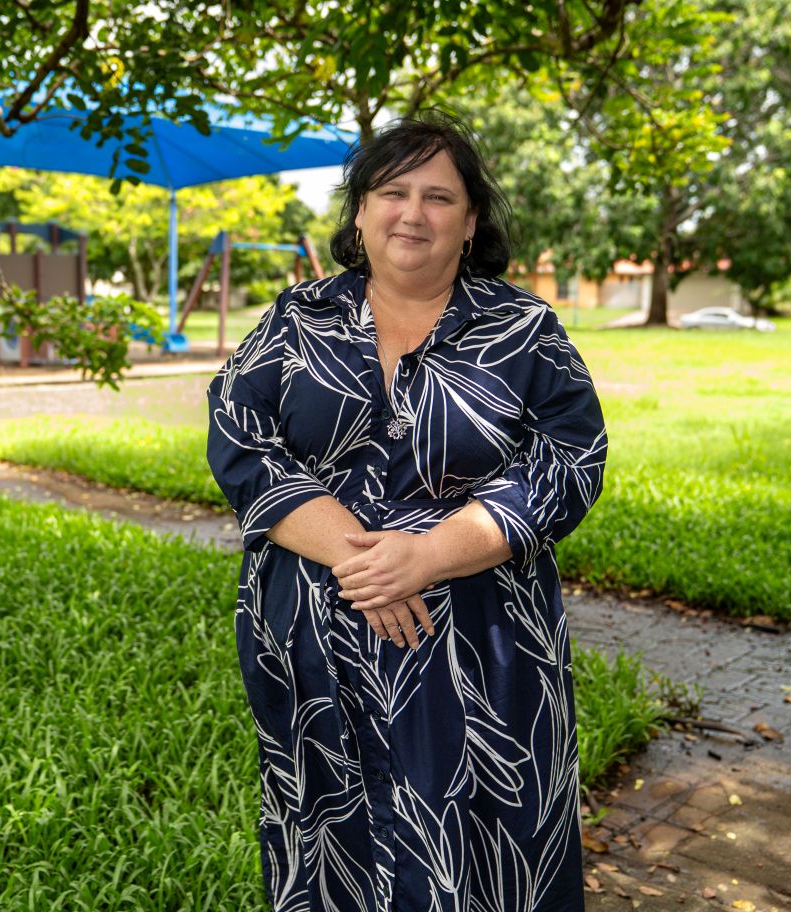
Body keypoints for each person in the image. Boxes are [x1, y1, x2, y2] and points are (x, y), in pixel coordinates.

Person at [206, 111, 607, 912]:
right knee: (332, 843)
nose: (412, 213)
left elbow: (571, 461)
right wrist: (368, 560)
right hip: (314, 649)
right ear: (359, 213)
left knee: (488, 849)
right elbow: (237, 436)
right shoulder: (297, 320)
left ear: (470, 223)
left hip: (479, 651)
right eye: (392, 192)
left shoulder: (524, 330)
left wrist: (426, 557)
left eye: (438, 197)